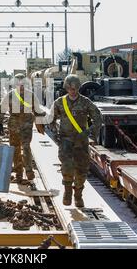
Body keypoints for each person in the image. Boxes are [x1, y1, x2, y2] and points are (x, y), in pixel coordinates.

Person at [49, 74, 101, 208]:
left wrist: (89, 132)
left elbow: (98, 118)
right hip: (65, 140)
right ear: (66, 88)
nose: (73, 90)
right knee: (67, 167)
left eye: (75, 88)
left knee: (81, 170)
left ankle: (78, 195)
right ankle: (67, 192)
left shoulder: (85, 102)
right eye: (70, 88)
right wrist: (55, 133)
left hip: (81, 142)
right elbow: (51, 119)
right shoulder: (60, 102)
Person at [0, 73, 44, 183]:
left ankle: (29, 170)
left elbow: (37, 110)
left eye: (23, 84)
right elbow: (2, 109)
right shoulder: (9, 95)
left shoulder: (31, 95)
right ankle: (19, 173)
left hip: (27, 124)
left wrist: (40, 122)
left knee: (26, 146)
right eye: (18, 84)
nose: (21, 86)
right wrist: (0, 123)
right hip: (13, 125)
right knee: (15, 150)